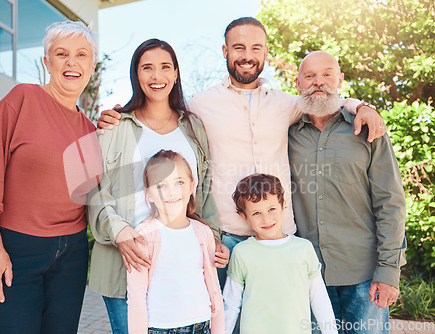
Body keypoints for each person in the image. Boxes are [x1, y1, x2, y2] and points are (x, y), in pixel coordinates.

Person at [96, 17, 386, 289]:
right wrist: (117, 117)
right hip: (224, 241)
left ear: (265, 53)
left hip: (279, 235)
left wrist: (360, 106)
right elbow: (160, 116)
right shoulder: (200, 105)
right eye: (238, 47)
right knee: (225, 322)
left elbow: (323, 96)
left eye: (255, 48)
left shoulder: (287, 104)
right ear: (225, 51)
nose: (247, 55)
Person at [0, 21, 102, 334]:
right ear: (47, 62)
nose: (72, 62)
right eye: (61, 54)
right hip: (13, 248)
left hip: (71, 257)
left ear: (91, 66)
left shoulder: (92, 131)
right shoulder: (21, 100)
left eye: (81, 55)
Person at [87, 38, 227, 334]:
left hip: (182, 268)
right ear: (136, 75)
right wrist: (120, 232)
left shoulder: (193, 127)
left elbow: (204, 191)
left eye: (165, 67)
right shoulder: (116, 125)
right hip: (127, 263)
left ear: (176, 73)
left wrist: (214, 239)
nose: (156, 76)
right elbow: (95, 191)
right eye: (147, 67)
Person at [288, 51, 406, 333]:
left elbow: (390, 201)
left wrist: (389, 271)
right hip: (308, 276)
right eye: (310, 76)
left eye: (328, 74)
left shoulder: (368, 129)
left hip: (364, 277)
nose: (320, 82)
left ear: (340, 79)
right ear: (298, 83)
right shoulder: (286, 133)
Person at [223, 173, 337, 334]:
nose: (266, 219)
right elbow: (231, 303)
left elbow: (319, 299)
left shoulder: (303, 248)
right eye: (256, 213)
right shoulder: (242, 252)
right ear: (244, 216)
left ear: (283, 205)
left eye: (271, 209)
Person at [126, 150, 224, 334]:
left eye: (179, 182)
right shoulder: (144, 236)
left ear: (191, 186)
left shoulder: (203, 233)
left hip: (201, 325)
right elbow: (136, 297)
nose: (171, 192)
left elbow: (213, 285)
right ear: (148, 194)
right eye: (161, 186)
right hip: (161, 328)